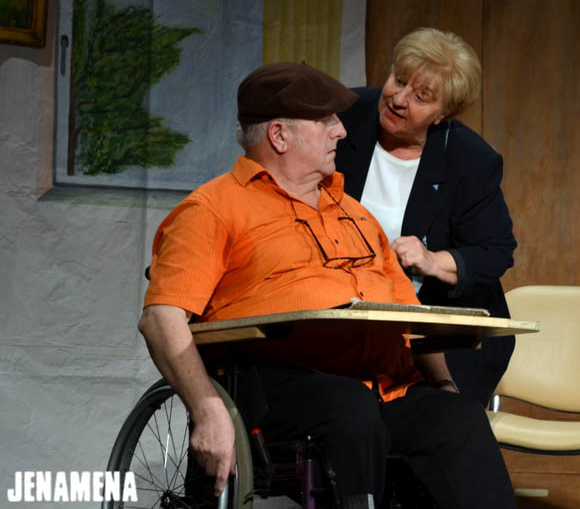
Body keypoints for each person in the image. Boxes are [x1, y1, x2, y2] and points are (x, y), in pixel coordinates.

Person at [138, 62, 517, 509]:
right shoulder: (213, 209)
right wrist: (205, 409)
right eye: (326, 122)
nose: (342, 131)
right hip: (280, 387)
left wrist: (444, 384)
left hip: (383, 387)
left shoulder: (355, 215)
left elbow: (407, 316)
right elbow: (161, 319)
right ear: (279, 136)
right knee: (348, 408)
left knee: (458, 417)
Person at [335, 28, 517, 407]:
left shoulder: (470, 160)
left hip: (438, 334)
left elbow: (495, 252)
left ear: (444, 113)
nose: (399, 99)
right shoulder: (345, 117)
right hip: (345, 317)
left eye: (421, 97)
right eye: (399, 80)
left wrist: (432, 260)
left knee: (433, 419)